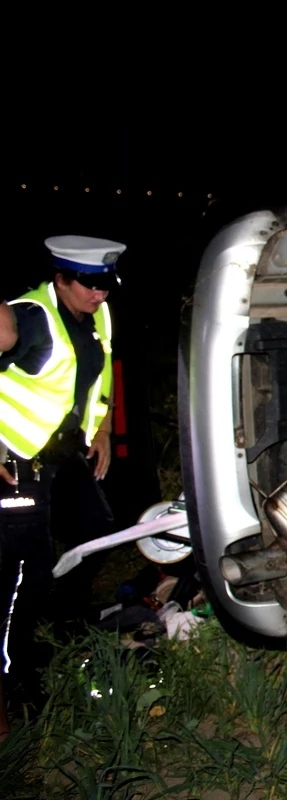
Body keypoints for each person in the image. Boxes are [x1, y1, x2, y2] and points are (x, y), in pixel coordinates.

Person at [0, 235, 124, 740]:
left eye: (108, 284)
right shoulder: (28, 318)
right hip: (17, 461)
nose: (102, 295)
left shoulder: (96, 314)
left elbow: (101, 369)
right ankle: (11, 686)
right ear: (61, 279)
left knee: (96, 533)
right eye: (92, 285)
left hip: (63, 454)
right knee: (17, 578)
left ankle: (54, 628)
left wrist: (103, 426)